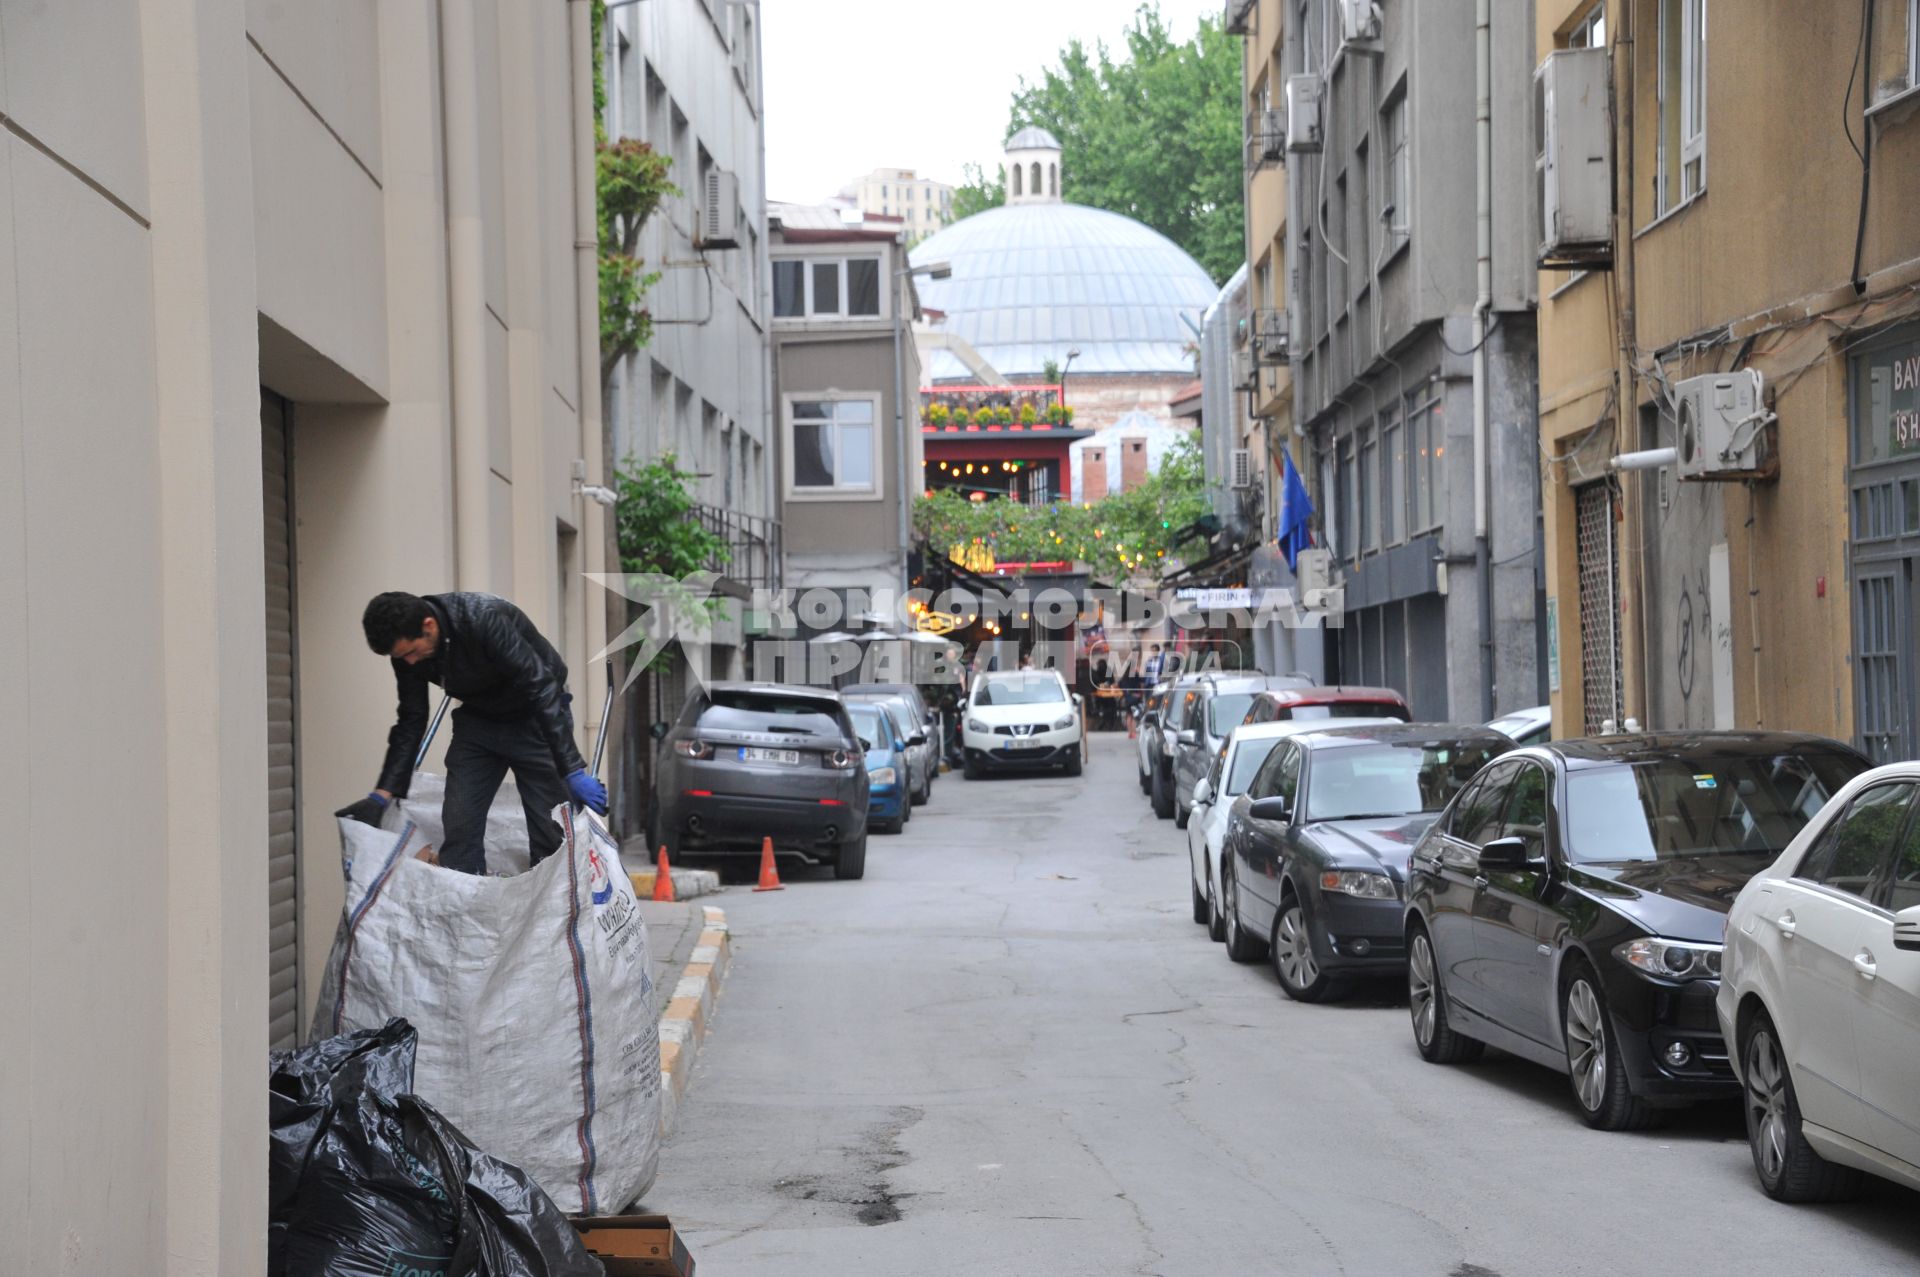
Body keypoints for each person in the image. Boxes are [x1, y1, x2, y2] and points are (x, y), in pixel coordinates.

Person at [335, 591, 607, 874]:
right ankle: (465, 900)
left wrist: (572, 769)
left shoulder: (483, 620)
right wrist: (383, 793)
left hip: (534, 716)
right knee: (460, 819)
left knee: (550, 830)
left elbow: (542, 688)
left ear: (429, 626)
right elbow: (411, 719)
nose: (411, 663)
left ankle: (552, 910)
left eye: (413, 652)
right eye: (402, 657)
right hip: (479, 721)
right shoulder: (405, 655)